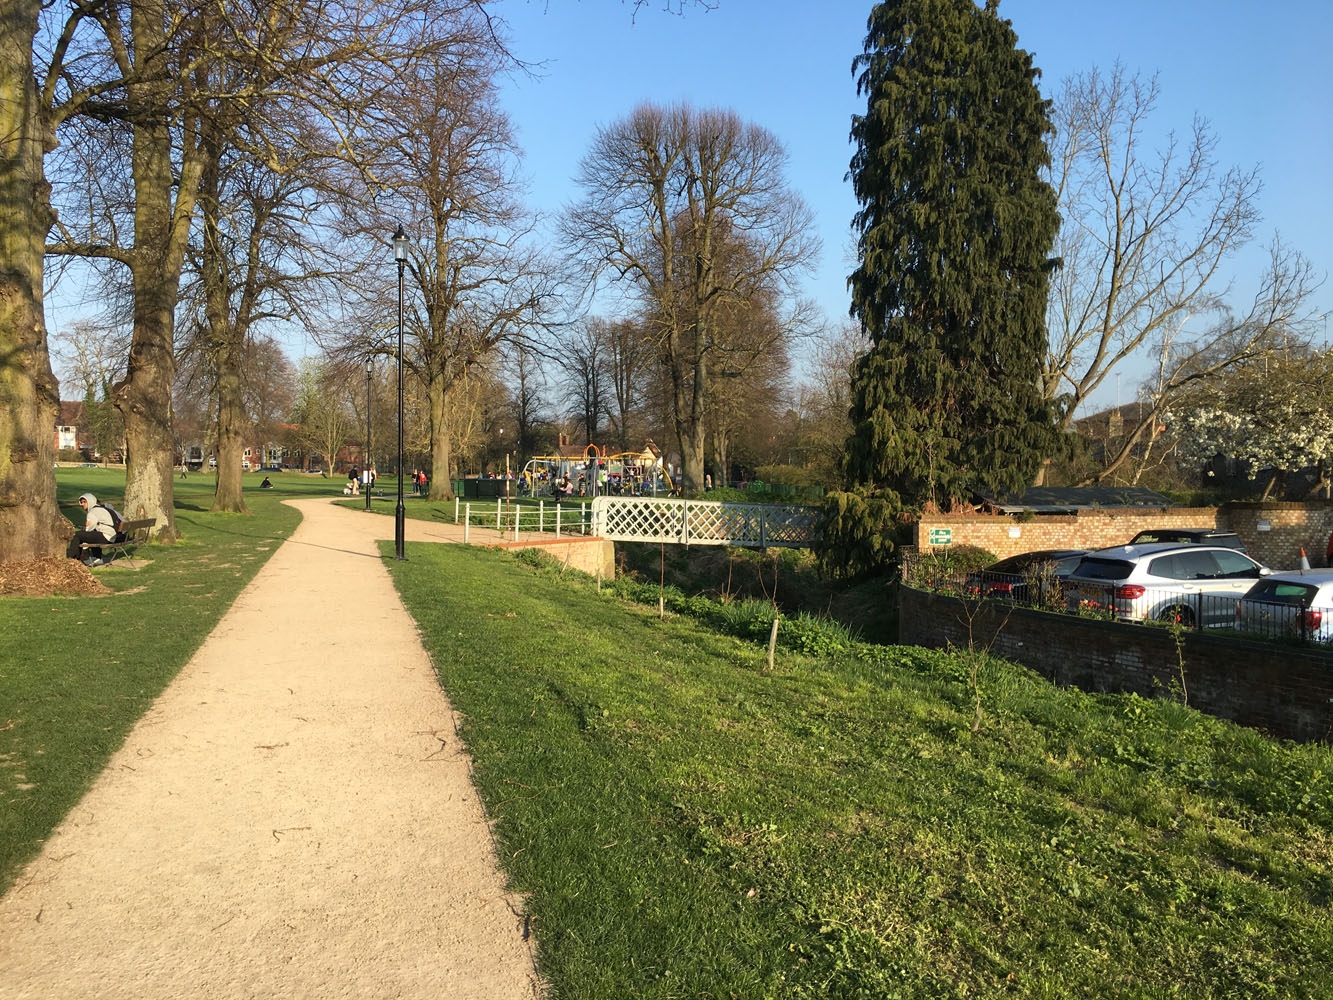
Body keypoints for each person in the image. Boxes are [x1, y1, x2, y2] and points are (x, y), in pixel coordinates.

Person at [67, 492, 117, 565]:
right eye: (81, 502)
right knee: (91, 535)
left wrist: (85, 529)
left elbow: (90, 528)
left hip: (106, 536)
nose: (82, 504)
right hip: (113, 536)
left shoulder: (92, 512)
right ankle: (97, 557)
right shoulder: (101, 508)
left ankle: (73, 558)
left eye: (84, 502)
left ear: (90, 501)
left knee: (77, 535)